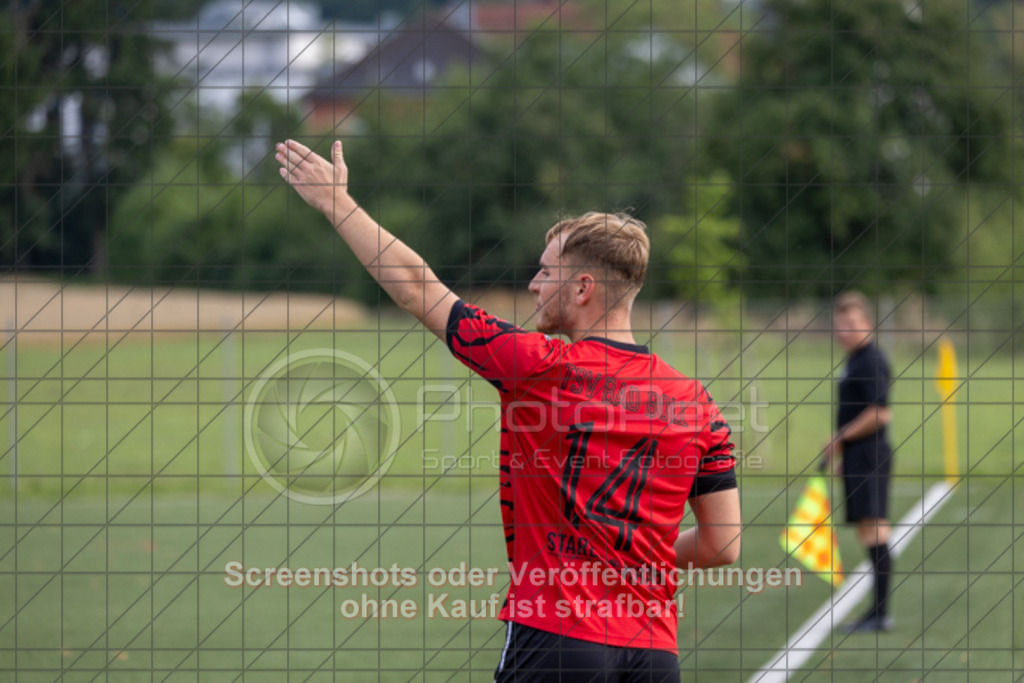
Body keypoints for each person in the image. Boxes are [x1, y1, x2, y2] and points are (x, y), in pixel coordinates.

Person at [275, 139, 742, 680]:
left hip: (557, 639)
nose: (533, 284)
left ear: (584, 287)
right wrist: (631, 558)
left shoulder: (539, 365)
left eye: (546, 272)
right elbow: (722, 545)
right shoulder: (697, 402)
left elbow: (416, 288)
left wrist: (339, 205)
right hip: (654, 655)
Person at [823, 291, 894, 633]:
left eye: (851, 324)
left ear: (867, 324)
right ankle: (877, 611)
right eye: (840, 325)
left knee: (875, 529)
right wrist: (843, 452)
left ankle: (880, 613)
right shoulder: (854, 359)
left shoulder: (871, 360)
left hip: (870, 456)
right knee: (869, 531)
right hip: (857, 456)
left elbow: (880, 413)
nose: (844, 331)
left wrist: (841, 439)